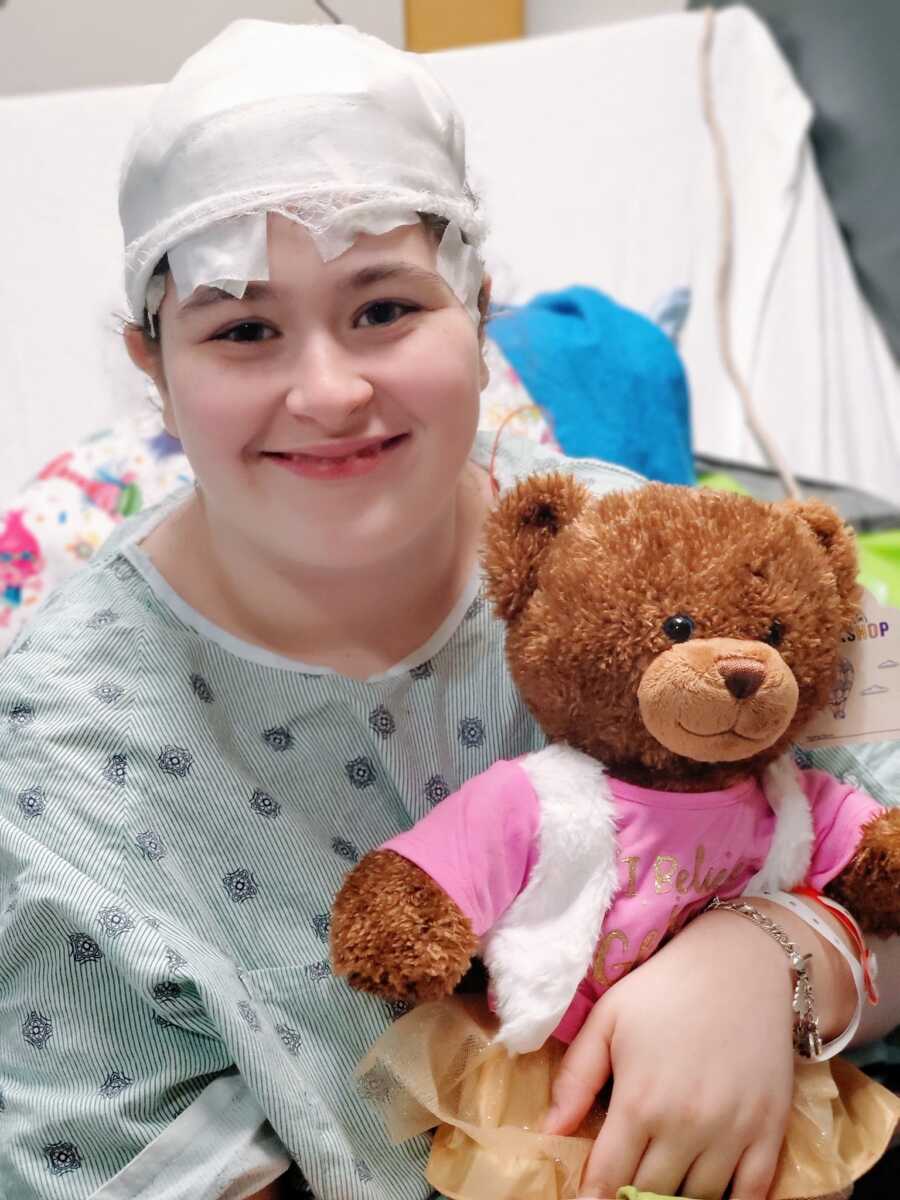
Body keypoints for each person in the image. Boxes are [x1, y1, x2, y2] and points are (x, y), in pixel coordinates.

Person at [0, 19, 896, 1200]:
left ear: (480, 316)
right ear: (155, 368)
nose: (328, 390)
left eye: (385, 309)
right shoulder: (67, 761)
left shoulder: (664, 560)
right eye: (244, 330)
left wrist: (783, 955)